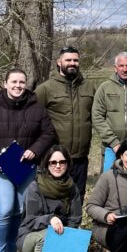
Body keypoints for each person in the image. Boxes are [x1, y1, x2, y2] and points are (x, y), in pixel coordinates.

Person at [0, 68, 56, 252]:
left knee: (19, 211)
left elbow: (48, 133)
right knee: (4, 211)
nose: (18, 86)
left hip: (25, 169)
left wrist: (34, 150)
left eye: (22, 82)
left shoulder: (37, 109)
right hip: (0, 169)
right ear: (5, 83)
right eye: (14, 82)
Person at [35, 46, 95, 200]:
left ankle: (73, 225)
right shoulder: (45, 89)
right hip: (56, 158)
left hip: (81, 157)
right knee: (55, 198)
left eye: (75, 60)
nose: (72, 63)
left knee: (78, 197)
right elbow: (33, 119)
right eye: (68, 60)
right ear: (59, 61)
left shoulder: (88, 87)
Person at [18, 145, 83, 252]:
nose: (58, 166)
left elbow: (75, 219)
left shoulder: (72, 188)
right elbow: (30, 221)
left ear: (67, 164)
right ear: (47, 164)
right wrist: (50, 219)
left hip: (60, 234)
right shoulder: (35, 187)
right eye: (53, 162)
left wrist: (58, 247)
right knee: (46, 236)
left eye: (62, 162)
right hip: (31, 235)